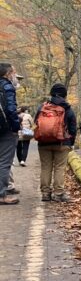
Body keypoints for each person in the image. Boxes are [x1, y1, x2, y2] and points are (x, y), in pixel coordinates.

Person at [35, 83, 77, 202]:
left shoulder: (42, 107)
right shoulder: (67, 109)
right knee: (59, 168)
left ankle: (45, 193)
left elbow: (36, 122)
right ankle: (58, 193)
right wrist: (71, 143)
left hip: (43, 142)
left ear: (51, 93)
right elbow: (73, 128)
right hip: (62, 143)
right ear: (65, 94)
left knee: (45, 167)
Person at [0, 62, 21, 205]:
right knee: (4, 163)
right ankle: (1, 195)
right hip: (5, 129)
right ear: (8, 74)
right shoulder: (7, 87)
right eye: (14, 72)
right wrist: (15, 128)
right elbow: (11, 110)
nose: (15, 75)